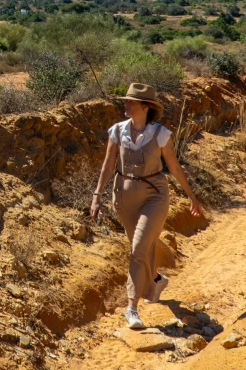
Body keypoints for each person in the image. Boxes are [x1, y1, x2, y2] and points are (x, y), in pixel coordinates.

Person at [89, 82, 204, 330]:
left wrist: (192, 197)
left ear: (146, 106)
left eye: (131, 101)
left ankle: (131, 309)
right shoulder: (117, 131)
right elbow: (108, 165)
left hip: (155, 197)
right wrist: (97, 195)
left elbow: (173, 167)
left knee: (138, 250)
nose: (126, 104)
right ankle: (155, 279)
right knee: (141, 247)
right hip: (124, 198)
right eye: (126, 100)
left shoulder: (161, 134)